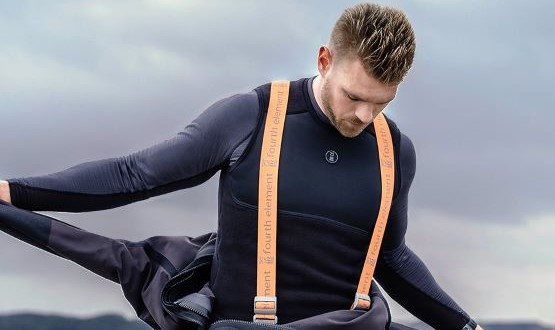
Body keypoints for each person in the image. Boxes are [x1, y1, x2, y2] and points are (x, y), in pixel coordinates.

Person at [0, 3, 483, 330]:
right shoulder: (249, 116)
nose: (363, 116)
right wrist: (14, 192)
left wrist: (465, 325)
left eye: (381, 103)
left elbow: (391, 257)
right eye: (354, 96)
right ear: (323, 60)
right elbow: (136, 174)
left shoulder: (395, 151)